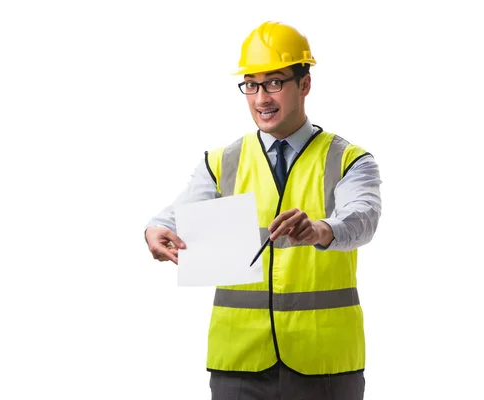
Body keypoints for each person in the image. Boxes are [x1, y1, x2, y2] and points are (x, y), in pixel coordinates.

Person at [144, 20, 382, 400]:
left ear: (305, 84)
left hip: (324, 362)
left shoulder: (348, 160)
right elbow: (177, 214)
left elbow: (363, 218)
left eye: (274, 83)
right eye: (251, 85)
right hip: (239, 362)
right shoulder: (223, 161)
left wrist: (321, 229)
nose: (261, 99)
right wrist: (154, 230)